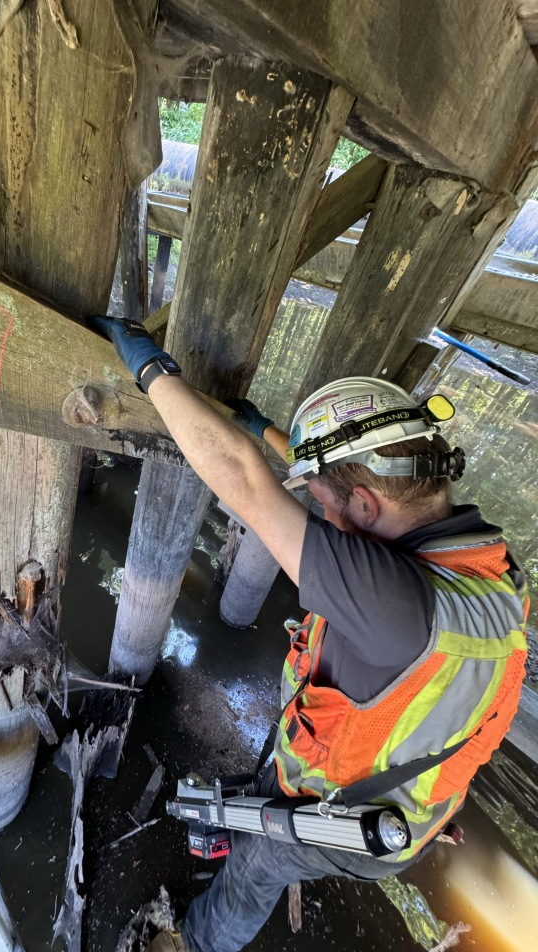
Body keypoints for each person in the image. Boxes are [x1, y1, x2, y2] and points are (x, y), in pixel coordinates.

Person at [92, 316, 529, 952]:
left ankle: (195, 943)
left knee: (257, 866)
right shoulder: (493, 568)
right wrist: (262, 427)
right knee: (260, 822)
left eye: (323, 507)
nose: (318, 520)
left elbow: (242, 479)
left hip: (357, 818)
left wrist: (153, 370)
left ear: (369, 508)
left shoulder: (395, 608)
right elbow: (334, 477)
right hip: (417, 802)